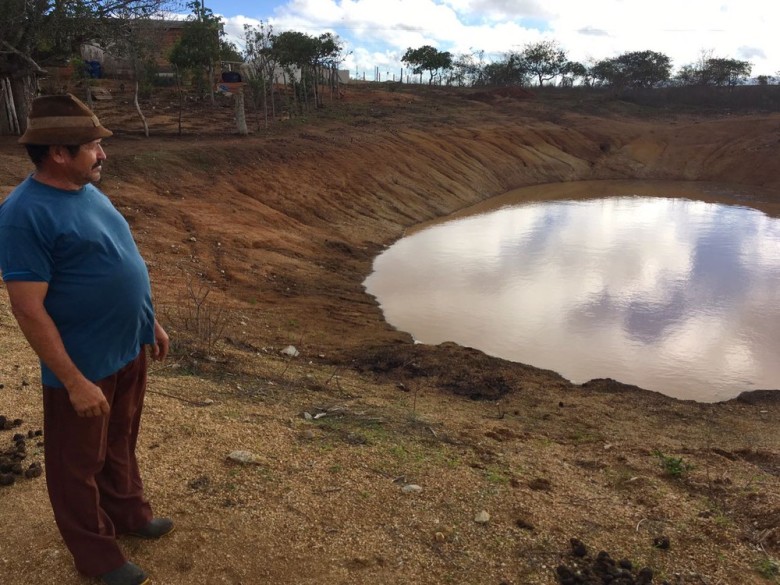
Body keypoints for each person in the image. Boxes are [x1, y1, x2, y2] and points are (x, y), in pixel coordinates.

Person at [0, 94, 171, 585]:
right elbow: (27, 308)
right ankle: (97, 555)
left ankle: (129, 515)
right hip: (82, 364)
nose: (103, 154)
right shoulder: (22, 214)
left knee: (120, 440)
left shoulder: (88, 190)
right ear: (58, 151)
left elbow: (122, 261)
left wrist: (149, 322)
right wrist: (73, 380)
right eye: (94, 146)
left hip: (126, 348)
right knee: (76, 462)